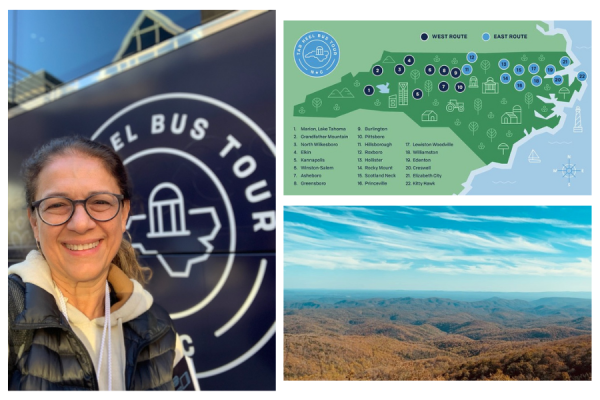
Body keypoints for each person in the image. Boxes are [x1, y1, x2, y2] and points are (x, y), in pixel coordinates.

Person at [8, 136, 195, 390]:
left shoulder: (159, 330)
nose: (81, 224)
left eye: (100, 202)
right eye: (58, 205)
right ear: (34, 222)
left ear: (123, 214)